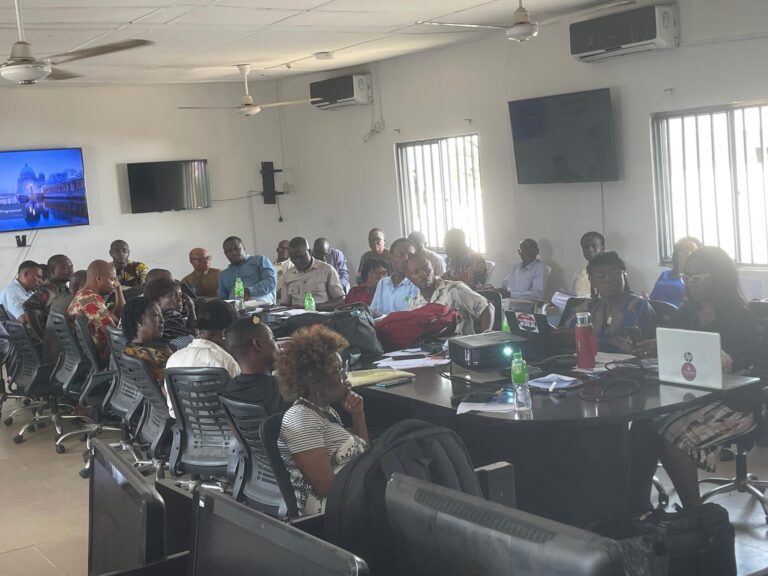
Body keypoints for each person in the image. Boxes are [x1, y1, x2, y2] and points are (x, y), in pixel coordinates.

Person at [630, 247, 758, 514]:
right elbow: (673, 350)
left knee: (671, 434)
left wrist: (722, 357)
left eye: (699, 276)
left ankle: (694, 516)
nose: (692, 283)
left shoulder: (739, 316)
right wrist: (656, 346)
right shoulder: (686, 313)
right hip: (692, 398)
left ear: (719, 276)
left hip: (734, 402)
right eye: (687, 277)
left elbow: (742, 364)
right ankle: (638, 509)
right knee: (642, 426)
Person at [277, 326, 368, 516]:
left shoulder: (322, 410)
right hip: (329, 511)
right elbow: (326, 488)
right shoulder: (301, 419)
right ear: (317, 383)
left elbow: (365, 453)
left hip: (351, 496)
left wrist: (358, 415)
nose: (346, 378)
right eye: (339, 372)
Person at [564, 251, 656, 354]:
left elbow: (648, 347)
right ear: (593, 282)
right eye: (601, 275)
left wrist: (584, 340)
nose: (608, 279)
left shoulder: (639, 307)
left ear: (624, 276)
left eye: (614, 273)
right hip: (590, 363)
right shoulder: (587, 308)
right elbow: (567, 335)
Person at [165, 299, 240, 417]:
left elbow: (173, 409)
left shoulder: (173, 359)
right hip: (225, 426)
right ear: (224, 333)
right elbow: (238, 407)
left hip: (186, 426)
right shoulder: (226, 362)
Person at [406, 253, 494, 335]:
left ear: (432, 267)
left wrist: (485, 336)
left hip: (461, 344)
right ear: (409, 277)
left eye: (426, 268)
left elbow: (486, 308)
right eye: (416, 272)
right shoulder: (414, 303)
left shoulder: (454, 289)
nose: (423, 274)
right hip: (432, 346)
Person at [223, 316, 285, 414]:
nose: (279, 345)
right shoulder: (284, 391)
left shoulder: (229, 390)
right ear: (258, 345)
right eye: (273, 338)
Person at [67, 260, 124, 358]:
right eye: (112, 279)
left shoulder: (83, 294)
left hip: (90, 354)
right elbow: (114, 334)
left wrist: (118, 289)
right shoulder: (90, 300)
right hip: (107, 355)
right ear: (99, 278)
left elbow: (118, 317)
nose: (114, 283)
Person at [281, 237, 345, 311]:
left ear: (309, 252)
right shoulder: (288, 275)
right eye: (293, 258)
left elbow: (340, 299)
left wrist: (311, 307)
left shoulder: (327, 270)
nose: (298, 261)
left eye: (301, 257)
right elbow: (285, 305)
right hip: (295, 316)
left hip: (321, 316)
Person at [121, 297, 173, 386]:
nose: (162, 320)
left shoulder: (131, 350)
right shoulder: (147, 357)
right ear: (138, 321)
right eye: (156, 315)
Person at [23, 254, 73, 340]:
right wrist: (42, 337)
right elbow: (28, 306)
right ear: (52, 271)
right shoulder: (48, 290)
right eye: (65, 267)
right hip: (55, 340)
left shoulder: (62, 289)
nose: (70, 270)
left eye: (71, 266)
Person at [218, 236, 277, 304]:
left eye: (237, 249)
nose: (234, 253)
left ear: (244, 248)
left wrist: (248, 291)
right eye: (229, 251)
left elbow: (271, 282)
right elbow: (222, 298)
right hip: (234, 307)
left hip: (261, 305)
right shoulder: (223, 274)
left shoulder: (259, 260)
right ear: (225, 254)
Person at [370, 238, 420, 316]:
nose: (406, 259)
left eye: (410, 256)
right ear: (390, 258)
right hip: (379, 323)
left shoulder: (415, 285)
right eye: (401, 255)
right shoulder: (382, 283)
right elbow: (372, 311)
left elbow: (410, 317)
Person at [649, 237, 701, 308]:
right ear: (677, 256)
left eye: (693, 253)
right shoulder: (665, 274)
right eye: (685, 252)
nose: (689, 255)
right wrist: (646, 300)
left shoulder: (697, 278)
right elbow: (652, 297)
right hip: (655, 311)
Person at [499, 238, 549, 311]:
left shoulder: (540, 268)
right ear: (519, 251)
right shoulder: (516, 267)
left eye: (531, 247)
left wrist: (511, 294)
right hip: (508, 303)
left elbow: (538, 294)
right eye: (524, 247)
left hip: (523, 307)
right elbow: (504, 285)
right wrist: (497, 290)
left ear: (537, 251)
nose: (528, 250)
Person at [143, 277, 195, 345]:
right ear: (156, 300)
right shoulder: (171, 315)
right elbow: (194, 334)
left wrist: (191, 308)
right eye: (173, 295)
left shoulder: (176, 317)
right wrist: (191, 308)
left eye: (180, 295)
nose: (180, 299)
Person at [572, 231, 605, 298]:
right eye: (586, 247)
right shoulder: (579, 273)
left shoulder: (611, 272)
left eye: (594, 246)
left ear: (603, 248)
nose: (590, 250)